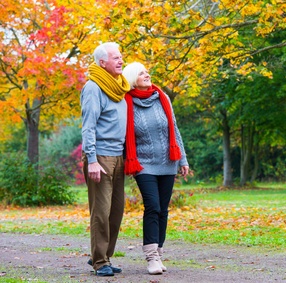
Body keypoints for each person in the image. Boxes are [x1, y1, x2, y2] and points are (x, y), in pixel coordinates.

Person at [122, 62, 191, 275]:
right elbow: (124, 136)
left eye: (147, 71)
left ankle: (159, 252)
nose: (147, 74)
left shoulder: (163, 98)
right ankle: (151, 257)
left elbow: (174, 128)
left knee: (163, 209)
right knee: (152, 206)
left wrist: (183, 160)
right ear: (133, 78)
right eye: (141, 73)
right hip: (143, 164)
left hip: (167, 162)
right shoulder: (126, 103)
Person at [80, 42, 130, 277]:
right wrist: (91, 159)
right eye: (115, 58)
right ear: (102, 63)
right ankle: (100, 262)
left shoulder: (118, 87)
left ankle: (104, 257)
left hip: (118, 156)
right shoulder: (93, 87)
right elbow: (88, 127)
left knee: (116, 212)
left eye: (121, 57)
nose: (121, 60)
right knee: (101, 212)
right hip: (100, 156)